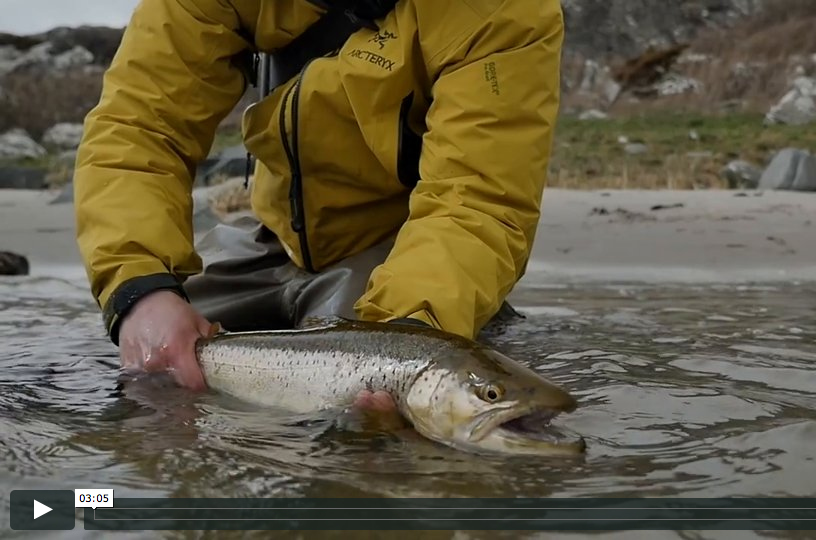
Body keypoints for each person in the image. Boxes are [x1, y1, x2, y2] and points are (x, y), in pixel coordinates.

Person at [73, 0, 565, 409]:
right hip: (274, 241)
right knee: (143, 379)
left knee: (380, 433)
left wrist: (407, 337)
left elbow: (476, 199)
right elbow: (139, 130)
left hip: (401, 256)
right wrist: (140, 289)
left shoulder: (505, 10)